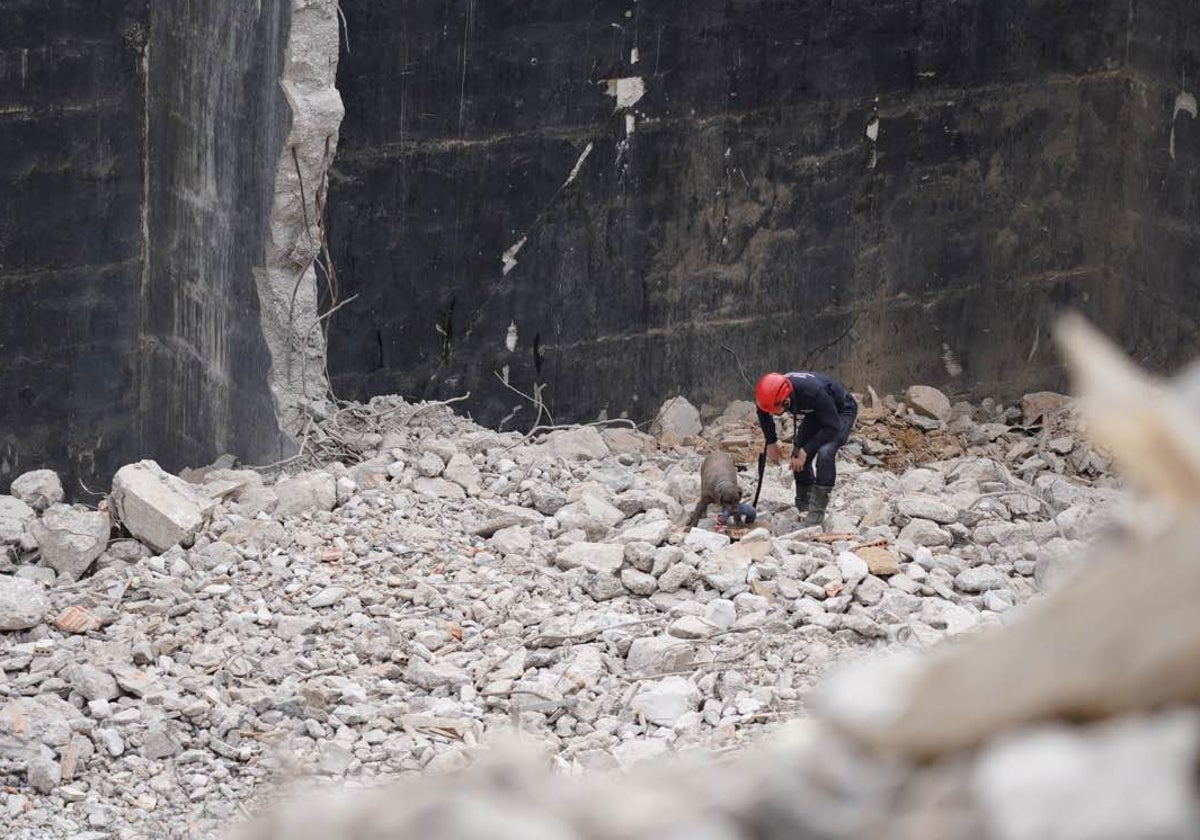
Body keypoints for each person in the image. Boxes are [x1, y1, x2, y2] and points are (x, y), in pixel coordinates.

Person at [755, 371, 858, 527]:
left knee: (825, 453)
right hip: (816, 411)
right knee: (797, 453)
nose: (772, 414)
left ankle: (817, 513)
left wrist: (807, 450)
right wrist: (771, 442)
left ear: (786, 400)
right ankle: (804, 503)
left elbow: (832, 427)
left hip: (840, 410)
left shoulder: (811, 391)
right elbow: (763, 413)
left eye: (775, 409)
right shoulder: (769, 394)